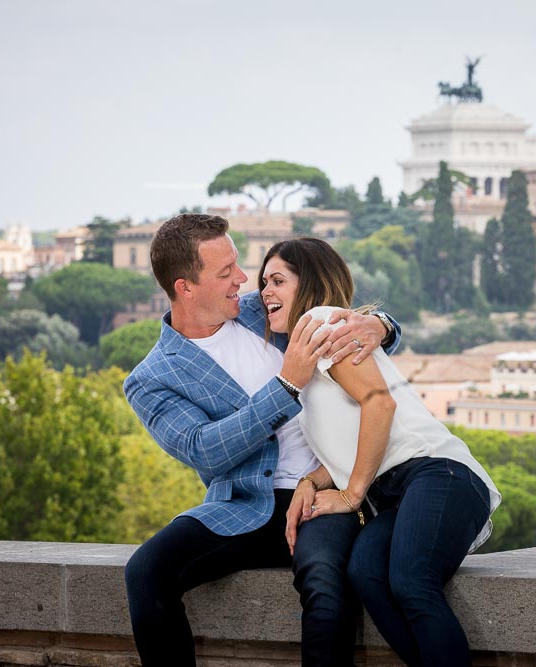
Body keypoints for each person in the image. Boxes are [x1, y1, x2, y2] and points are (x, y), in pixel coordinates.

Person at [123, 214, 401, 666]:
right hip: (242, 506)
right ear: (185, 287)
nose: (241, 279)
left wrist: (383, 325)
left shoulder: (266, 307)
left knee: (325, 581)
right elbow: (203, 449)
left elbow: (349, 322)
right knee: (146, 571)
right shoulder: (152, 378)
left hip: (322, 493)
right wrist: (285, 388)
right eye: (225, 272)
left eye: (236, 265)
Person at [260, 237, 501, 666]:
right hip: (393, 492)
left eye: (278, 280)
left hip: (436, 472)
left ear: (309, 284)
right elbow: (347, 437)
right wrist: (310, 481)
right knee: (366, 573)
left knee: (411, 582)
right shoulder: (301, 354)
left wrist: (352, 495)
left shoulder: (320, 323)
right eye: (263, 282)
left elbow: (380, 403)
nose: (265, 292)